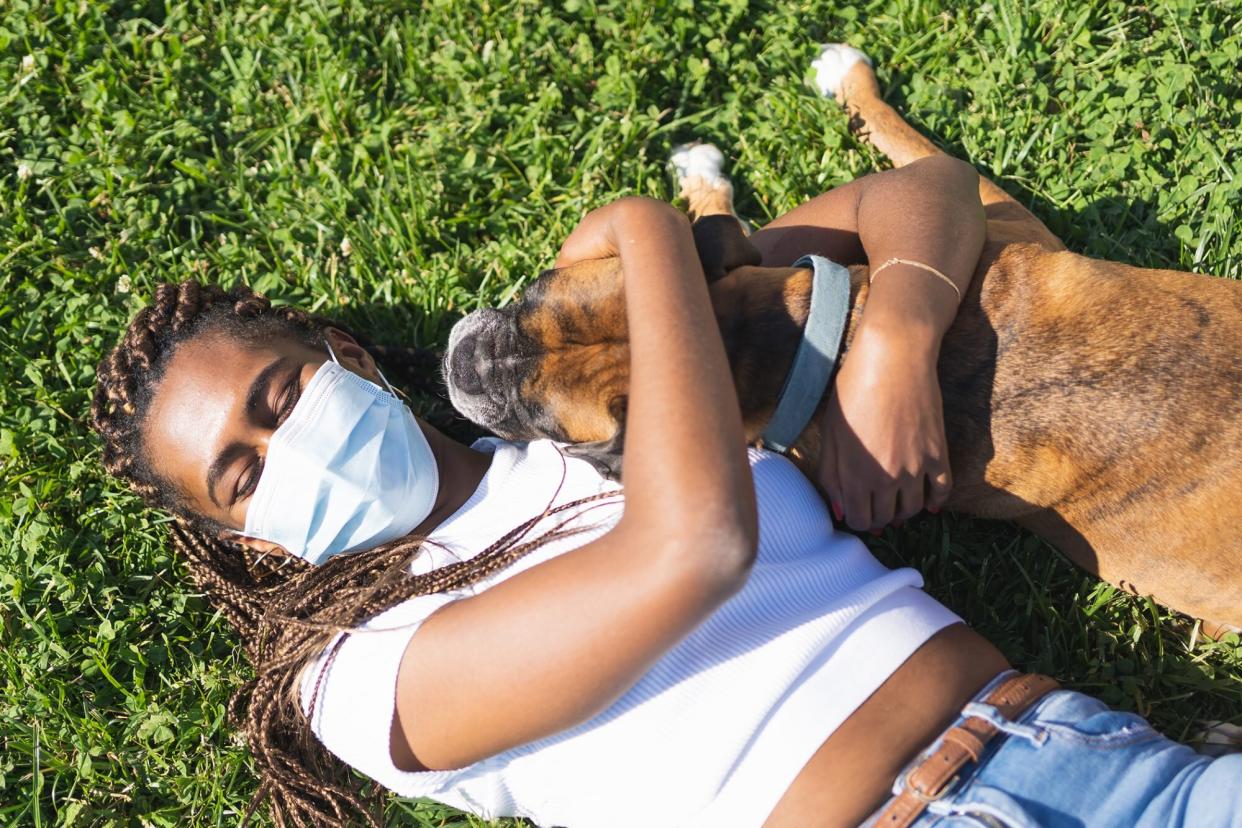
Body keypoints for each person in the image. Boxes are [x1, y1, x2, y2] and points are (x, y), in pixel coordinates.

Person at [90, 155, 1240, 828]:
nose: (290, 450)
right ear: (243, 540)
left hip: (1085, 754)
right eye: (243, 474)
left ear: (343, 351)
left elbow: (918, 193)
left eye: (282, 396)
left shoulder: (587, 379)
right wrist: (651, 232)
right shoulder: (354, 674)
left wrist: (894, 330)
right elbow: (692, 550)